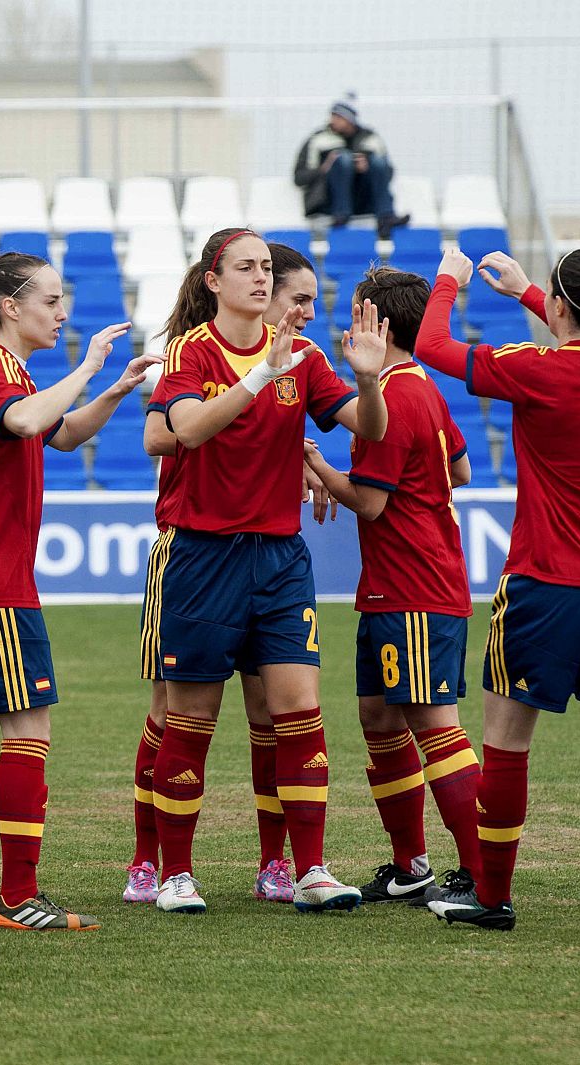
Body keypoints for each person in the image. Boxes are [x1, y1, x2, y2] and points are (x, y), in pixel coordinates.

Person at [414, 247, 580, 939]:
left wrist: (451, 276)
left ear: (562, 307)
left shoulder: (533, 371)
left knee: (506, 744)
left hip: (546, 584)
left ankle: (492, 897)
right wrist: (534, 291)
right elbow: (579, 336)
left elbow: (431, 344)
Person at [0, 250, 153, 933]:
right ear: (10, 307)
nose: (63, 313)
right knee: (28, 725)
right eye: (51, 300)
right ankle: (16, 895)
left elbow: (60, 432)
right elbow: (24, 422)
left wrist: (110, 391)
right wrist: (87, 368)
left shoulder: (12, 372)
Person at [142, 228, 388, 915]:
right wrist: (260, 373)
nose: (259, 276)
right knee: (191, 716)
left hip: (280, 559)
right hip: (203, 555)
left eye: (263, 267)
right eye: (245, 267)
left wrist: (369, 379)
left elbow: (369, 428)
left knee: (299, 712)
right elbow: (185, 429)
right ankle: (176, 874)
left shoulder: (306, 357)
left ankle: (308, 868)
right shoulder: (194, 350)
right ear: (214, 281)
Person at [298, 267, 483, 907]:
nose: (346, 325)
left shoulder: (393, 397)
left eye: (354, 313)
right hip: (400, 584)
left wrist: (319, 464)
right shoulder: (421, 387)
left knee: (436, 726)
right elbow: (459, 467)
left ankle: (483, 872)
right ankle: (411, 865)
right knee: (378, 718)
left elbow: (372, 506)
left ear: (377, 324)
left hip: (414, 587)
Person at [293, 93, 410, 238]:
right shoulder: (317, 139)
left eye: (338, 116)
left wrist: (366, 170)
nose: (333, 120)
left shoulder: (371, 138)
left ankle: (386, 217)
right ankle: (341, 215)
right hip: (328, 203)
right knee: (343, 159)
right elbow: (299, 178)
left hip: (364, 201)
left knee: (378, 162)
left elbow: (389, 173)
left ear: (349, 119)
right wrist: (324, 168)